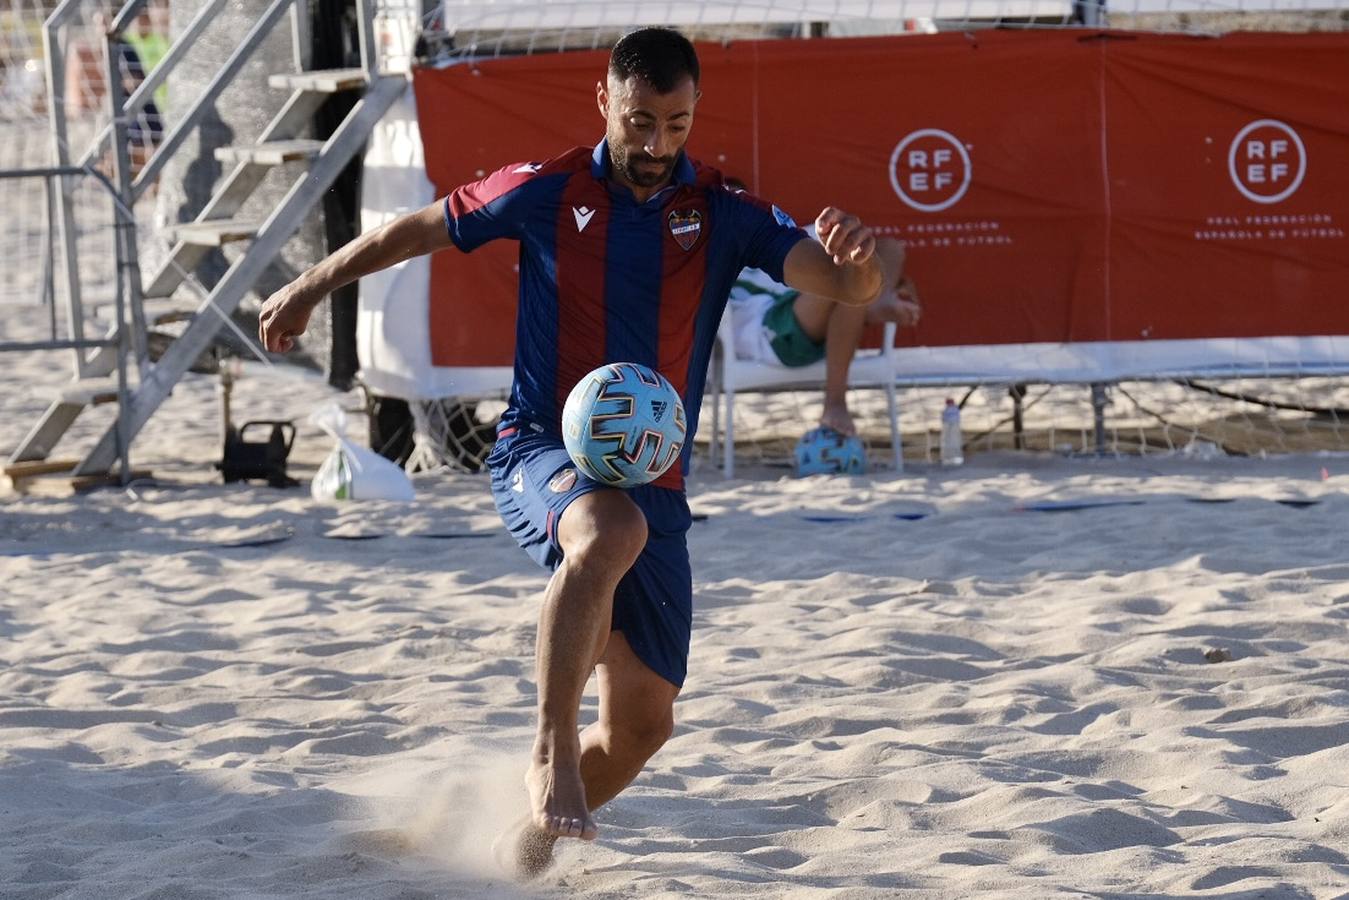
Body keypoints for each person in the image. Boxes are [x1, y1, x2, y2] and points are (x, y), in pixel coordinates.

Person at [258, 27, 885, 878]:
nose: (657, 143)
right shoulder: (546, 189)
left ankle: (507, 855)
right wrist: (309, 283)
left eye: (675, 122)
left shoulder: (722, 209)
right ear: (604, 103)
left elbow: (840, 286)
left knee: (644, 725)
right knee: (605, 531)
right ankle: (549, 747)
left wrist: (859, 268)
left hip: (653, 477)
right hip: (537, 446)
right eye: (639, 122)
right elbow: (416, 228)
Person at [725, 178, 922, 437]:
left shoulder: (766, 235)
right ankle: (835, 403)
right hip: (768, 330)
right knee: (845, 280)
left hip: (804, 307)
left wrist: (846, 238)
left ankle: (877, 299)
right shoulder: (709, 255)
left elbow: (865, 248)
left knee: (879, 249)